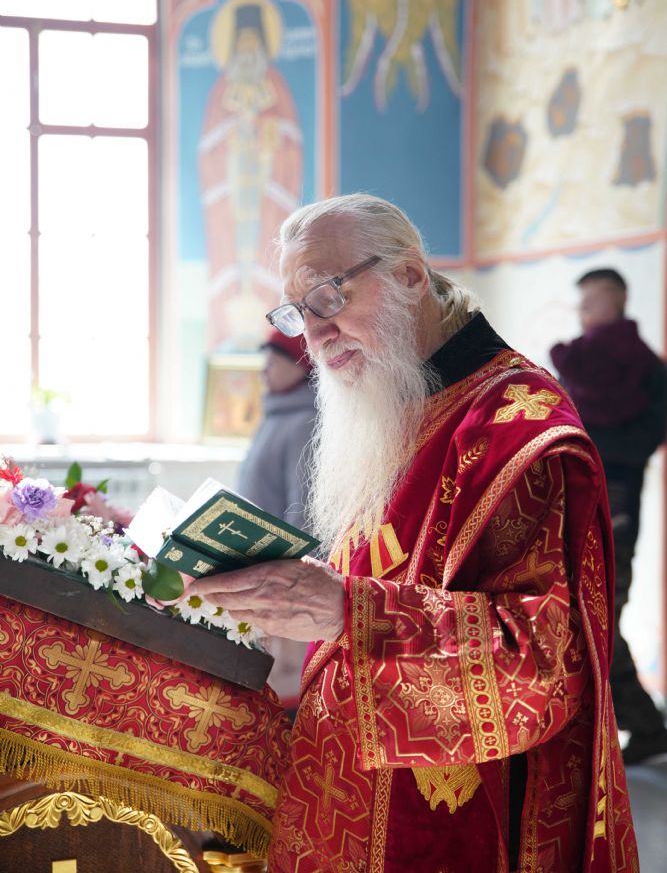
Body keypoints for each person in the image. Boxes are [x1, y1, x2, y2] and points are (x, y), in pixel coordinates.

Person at [187, 194, 638, 872]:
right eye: (297, 312)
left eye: (329, 296)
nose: (315, 334)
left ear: (408, 276)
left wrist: (347, 610)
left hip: (454, 828)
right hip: (345, 802)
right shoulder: (392, 402)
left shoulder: (521, 432)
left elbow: (544, 665)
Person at [551, 267, 667, 766]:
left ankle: (642, 724)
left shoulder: (642, 367)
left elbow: (646, 438)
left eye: (590, 302)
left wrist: (598, 455)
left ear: (614, 301)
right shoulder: (585, 363)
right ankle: (630, 725)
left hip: (614, 500)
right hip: (579, 496)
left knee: (597, 610)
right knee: (580, 610)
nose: (582, 312)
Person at [199, 0, 303, 351]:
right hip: (232, 197)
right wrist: (234, 136)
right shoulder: (220, 91)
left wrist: (267, 139)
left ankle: (268, 329)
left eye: (252, 47)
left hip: (265, 193)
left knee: (267, 251)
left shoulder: (277, 88)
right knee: (232, 254)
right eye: (240, 48)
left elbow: (291, 143)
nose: (246, 55)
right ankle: (228, 331)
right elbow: (208, 149)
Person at [236, 327, 316, 713]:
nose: (263, 372)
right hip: (261, 552)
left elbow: (304, 503)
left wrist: (297, 567)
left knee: (287, 667)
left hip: (286, 559)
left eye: (271, 363)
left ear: (300, 366)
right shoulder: (277, 413)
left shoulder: (304, 421)